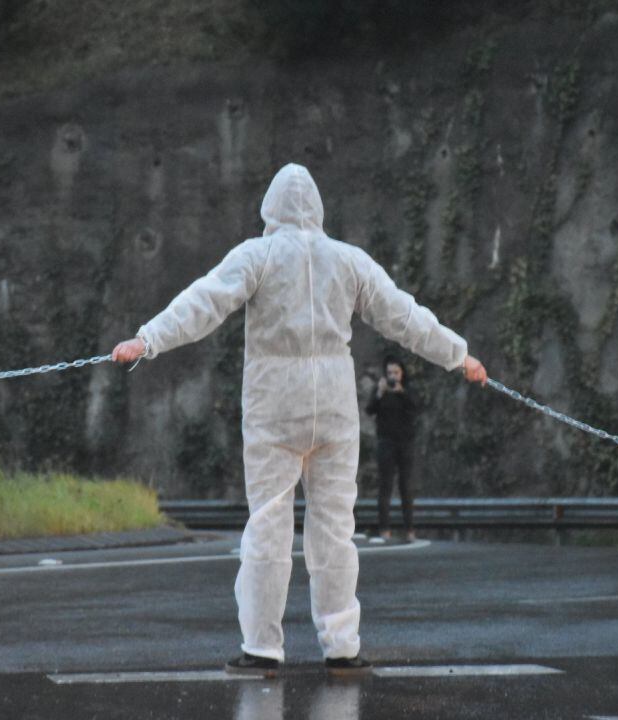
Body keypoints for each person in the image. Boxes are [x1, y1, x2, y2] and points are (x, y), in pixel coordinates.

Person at [111, 163, 488, 678]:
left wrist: (146, 339)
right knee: (335, 529)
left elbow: (203, 301)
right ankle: (342, 646)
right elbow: (405, 315)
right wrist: (459, 356)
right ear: (318, 208)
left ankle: (262, 649)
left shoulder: (258, 255)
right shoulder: (348, 261)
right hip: (335, 409)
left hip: (273, 407)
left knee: (267, 524)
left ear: (271, 209)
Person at [366, 356, 417, 542]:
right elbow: (369, 410)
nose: (393, 377)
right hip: (386, 443)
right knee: (385, 486)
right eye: (389, 373)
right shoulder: (381, 390)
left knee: (406, 486)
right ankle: (384, 529)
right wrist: (379, 393)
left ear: (402, 373)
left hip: (406, 443)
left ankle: (410, 529)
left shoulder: (408, 390)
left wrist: (401, 392)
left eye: (396, 372)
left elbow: (415, 408)